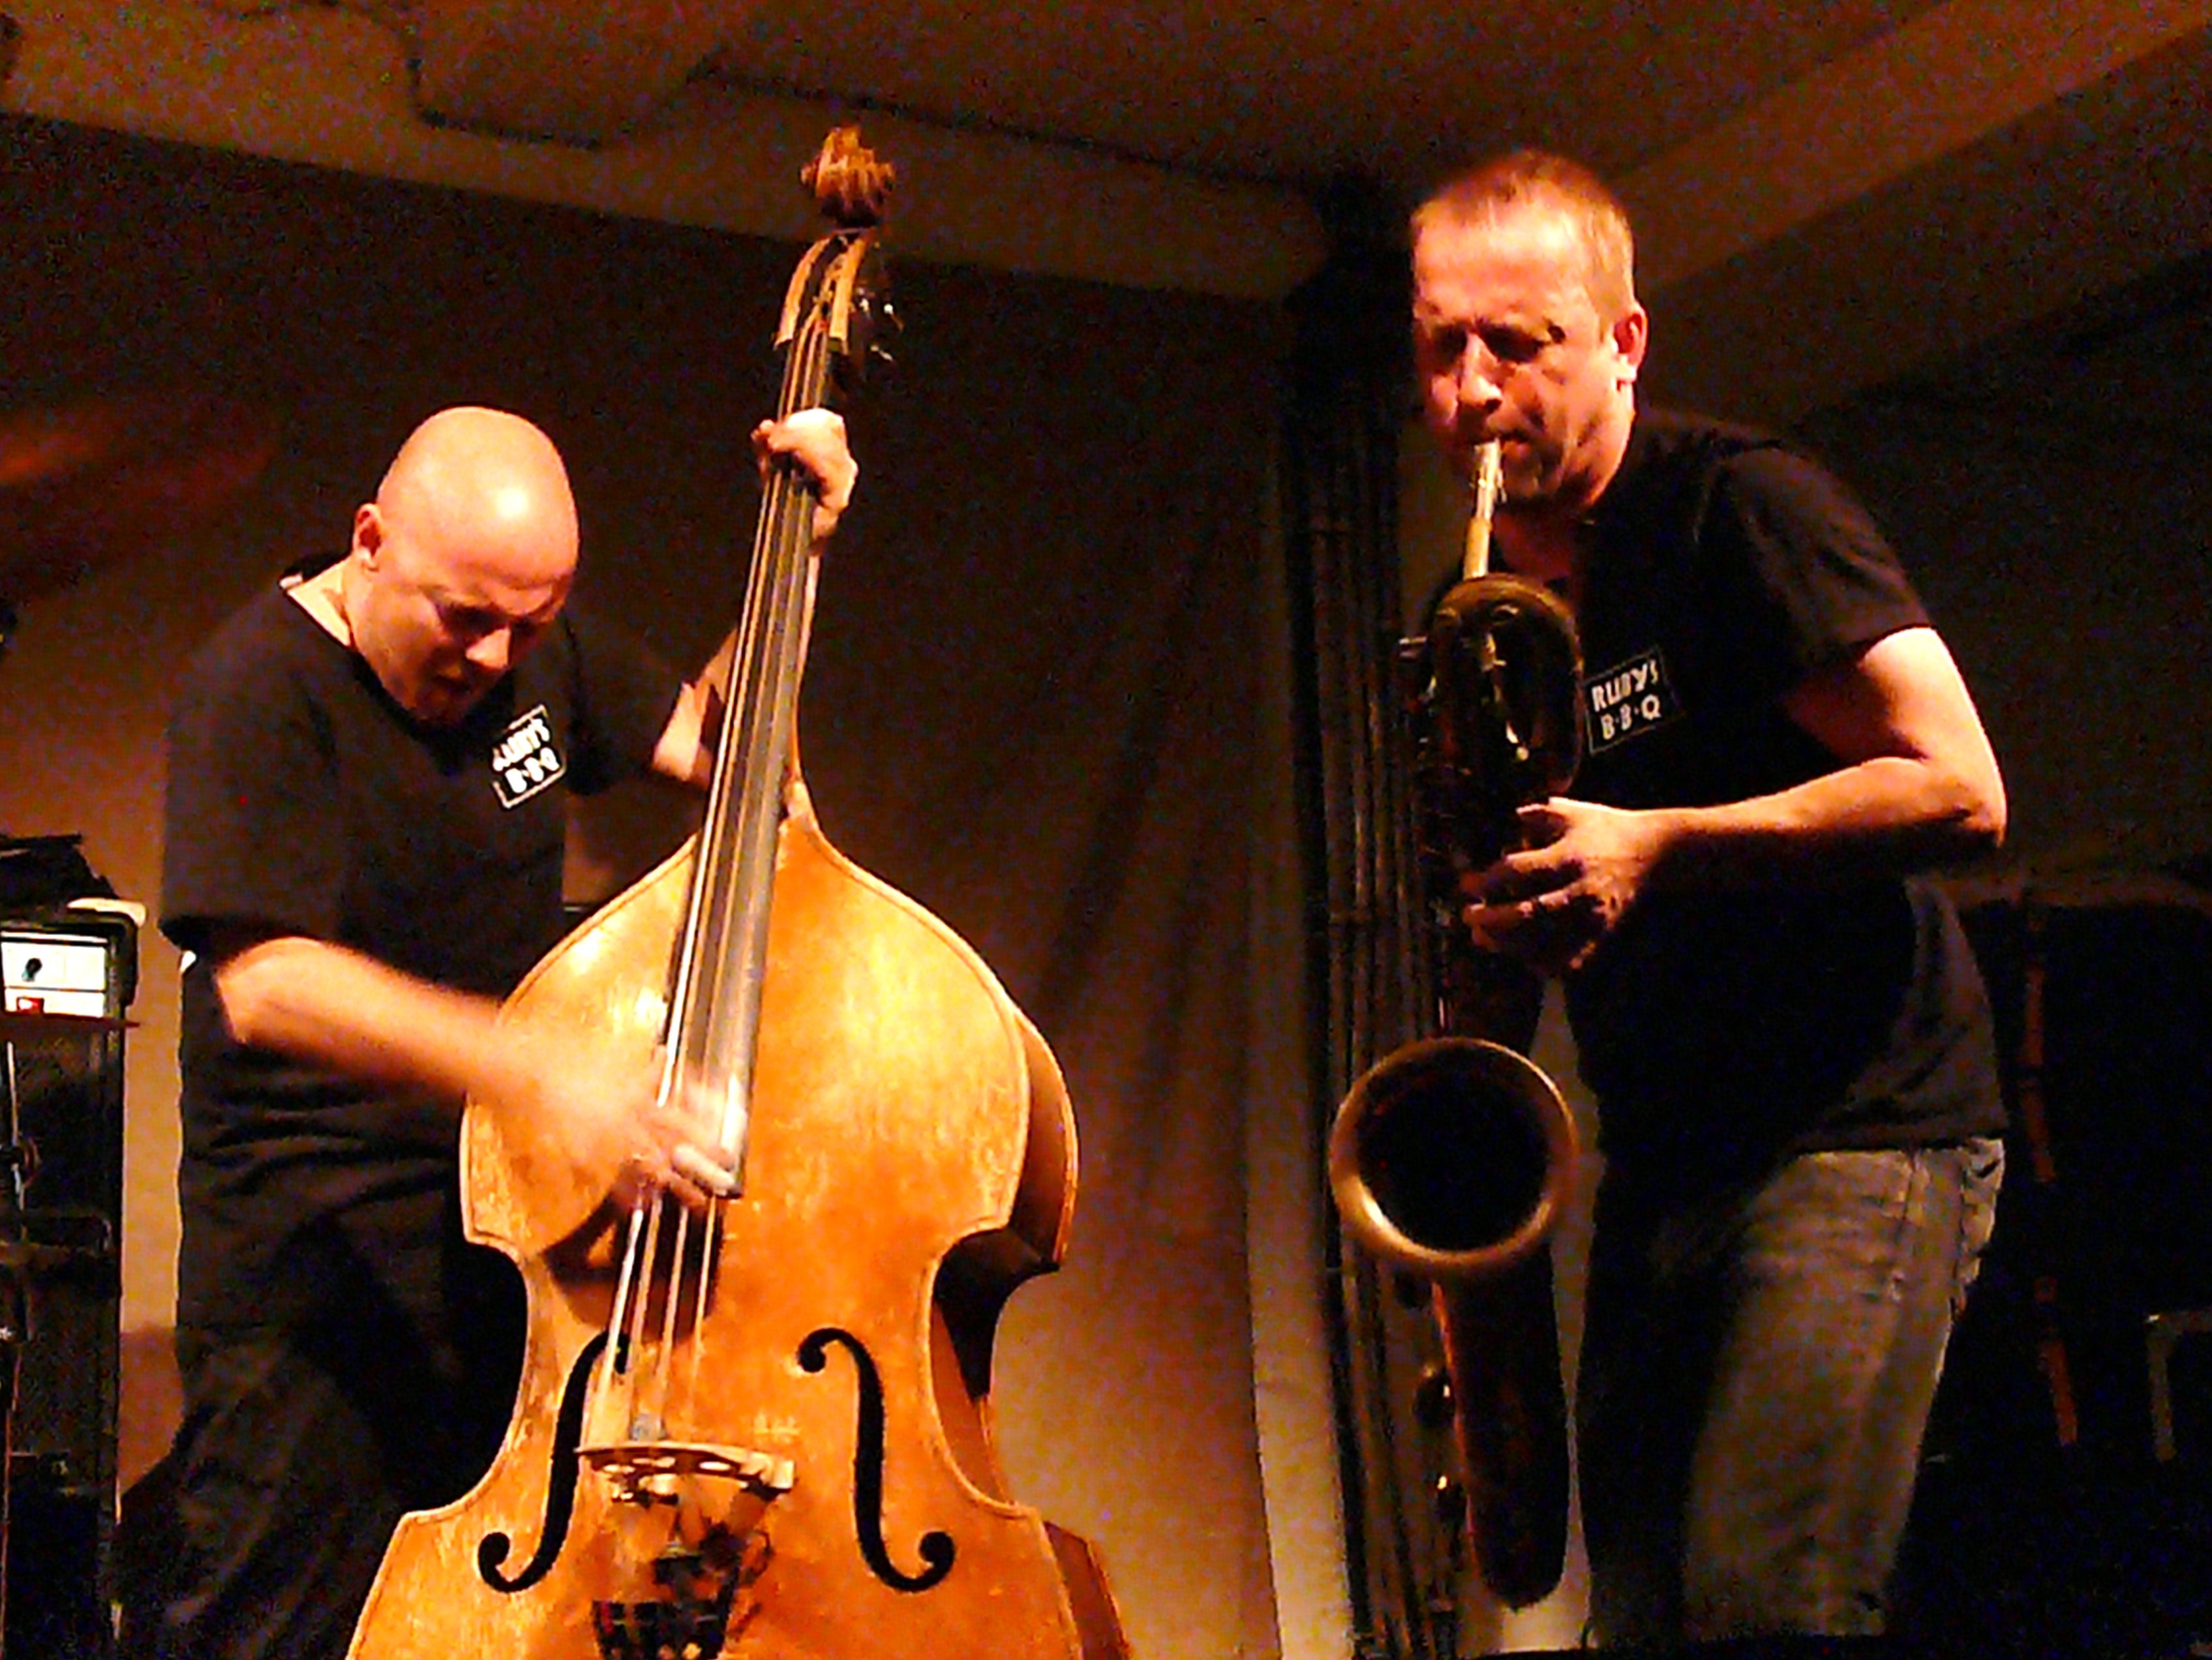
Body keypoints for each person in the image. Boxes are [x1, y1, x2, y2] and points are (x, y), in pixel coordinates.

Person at [125, 404, 855, 1660]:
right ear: (370, 541)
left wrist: (801, 549)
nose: (497, 653)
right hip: (319, 1266)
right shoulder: (258, 685)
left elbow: (729, 757)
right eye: (466, 616)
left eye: (533, 618)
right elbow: (268, 982)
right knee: (279, 1629)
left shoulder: (532, 647)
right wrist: (537, 1069)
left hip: (508, 1235)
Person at [1408, 152, 2008, 1647]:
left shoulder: (1739, 507)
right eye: (1440, 348)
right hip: (1668, 1159)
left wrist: (1656, 843)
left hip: (1857, 1132)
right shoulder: (1484, 608)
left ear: (1622, 342)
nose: (1473, 391)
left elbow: (1958, 785)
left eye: (1519, 342)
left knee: (1767, 1607)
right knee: (1648, 1622)